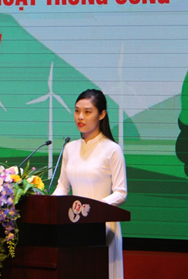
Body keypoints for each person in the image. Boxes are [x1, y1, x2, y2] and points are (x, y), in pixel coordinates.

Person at [52, 89, 128, 279]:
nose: (80, 117)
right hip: (73, 226)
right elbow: (62, 187)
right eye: (77, 111)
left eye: (87, 112)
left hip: (102, 227)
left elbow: (121, 192)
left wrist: (95, 209)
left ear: (101, 114)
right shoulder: (70, 148)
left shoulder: (112, 149)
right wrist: (49, 205)